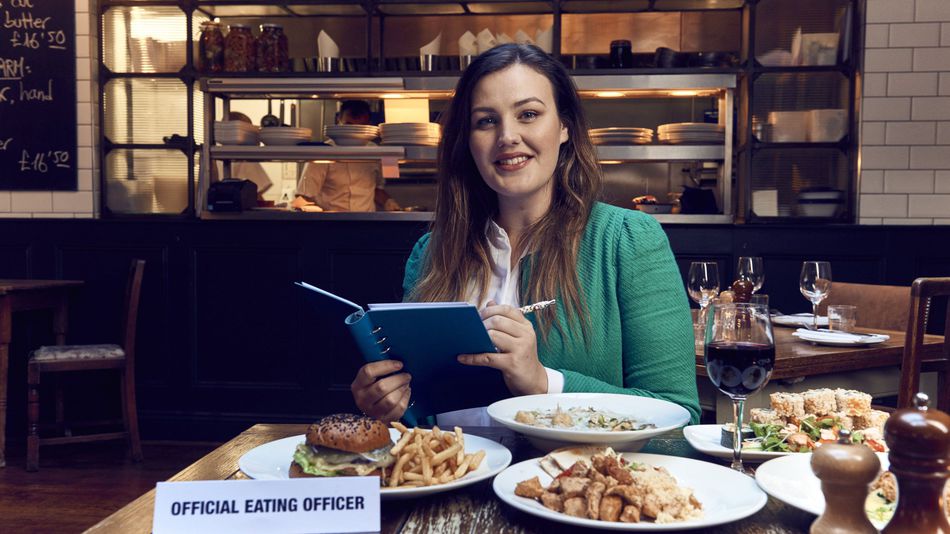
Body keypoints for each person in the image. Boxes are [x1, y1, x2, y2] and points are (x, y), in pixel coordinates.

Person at [350, 44, 700, 425]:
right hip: (451, 482)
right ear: (468, 141)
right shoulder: (431, 252)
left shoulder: (629, 240)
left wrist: (544, 383)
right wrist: (391, 406)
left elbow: (678, 420)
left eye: (528, 114)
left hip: (572, 483)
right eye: (486, 121)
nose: (507, 136)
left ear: (564, 126)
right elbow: (421, 420)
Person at [292, 100, 401, 212]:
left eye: (360, 127)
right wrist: (311, 210)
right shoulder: (322, 153)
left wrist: (389, 202)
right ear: (338, 120)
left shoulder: (376, 152)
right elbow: (301, 198)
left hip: (366, 222)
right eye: (349, 125)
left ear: (369, 124)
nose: (353, 133)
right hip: (331, 222)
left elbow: (377, 189)